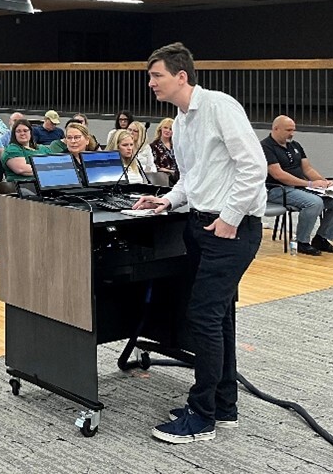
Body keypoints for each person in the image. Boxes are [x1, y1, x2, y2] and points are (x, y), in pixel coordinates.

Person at [133, 43, 266, 444]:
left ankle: (202, 416)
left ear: (181, 76)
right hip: (199, 224)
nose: (151, 82)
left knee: (203, 318)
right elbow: (192, 178)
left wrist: (230, 218)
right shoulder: (182, 121)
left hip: (229, 230)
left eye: (156, 75)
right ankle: (224, 406)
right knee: (219, 318)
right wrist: (167, 199)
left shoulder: (220, 107)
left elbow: (253, 166)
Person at [261, 115, 333, 256]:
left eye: (293, 129)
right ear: (276, 129)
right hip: (278, 190)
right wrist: (309, 183)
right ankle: (302, 242)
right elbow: (278, 175)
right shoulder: (265, 147)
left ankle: (321, 238)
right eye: (288, 130)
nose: (292, 133)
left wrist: (323, 182)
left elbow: (307, 169)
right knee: (314, 202)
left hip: (301, 188)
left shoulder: (295, 145)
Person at [150, 118, 179, 184]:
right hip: (164, 178)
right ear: (160, 129)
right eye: (165, 128)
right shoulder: (153, 146)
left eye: (170, 129)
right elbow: (155, 167)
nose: (168, 130)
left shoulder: (177, 146)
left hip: (178, 177)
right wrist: (171, 171)